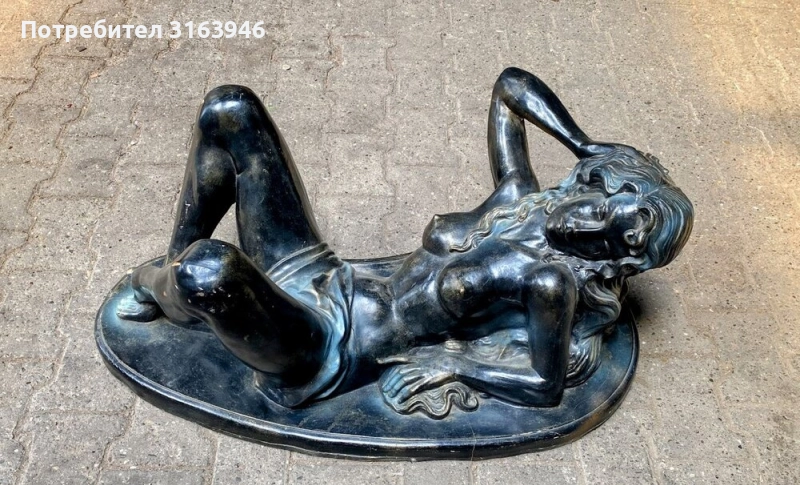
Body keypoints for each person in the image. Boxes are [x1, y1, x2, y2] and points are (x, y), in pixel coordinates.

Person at [117, 67, 693, 415]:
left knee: (209, 273)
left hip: (327, 348)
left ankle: (157, 284)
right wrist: (586, 144)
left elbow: (545, 386)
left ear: (621, 251)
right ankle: (171, 272)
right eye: (595, 198)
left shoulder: (548, 284)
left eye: (603, 227)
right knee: (230, 109)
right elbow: (510, 87)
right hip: (324, 277)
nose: (583, 218)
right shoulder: (517, 197)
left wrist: (453, 364)